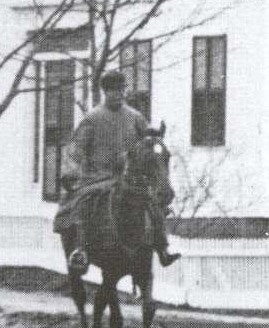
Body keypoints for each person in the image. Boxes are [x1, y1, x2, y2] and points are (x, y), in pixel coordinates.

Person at [60, 70, 180, 274]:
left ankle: (162, 247)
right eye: (115, 91)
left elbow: (146, 141)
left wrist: (153, 138)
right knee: (84, 204)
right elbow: (75, 148)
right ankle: (81, 250)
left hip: (127, 177)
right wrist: (70, 171)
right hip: (97, 177)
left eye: (122, 90)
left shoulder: (135, 117)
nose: (120, 94)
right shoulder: (92, 118)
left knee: (152, 205)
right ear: (106, 92)